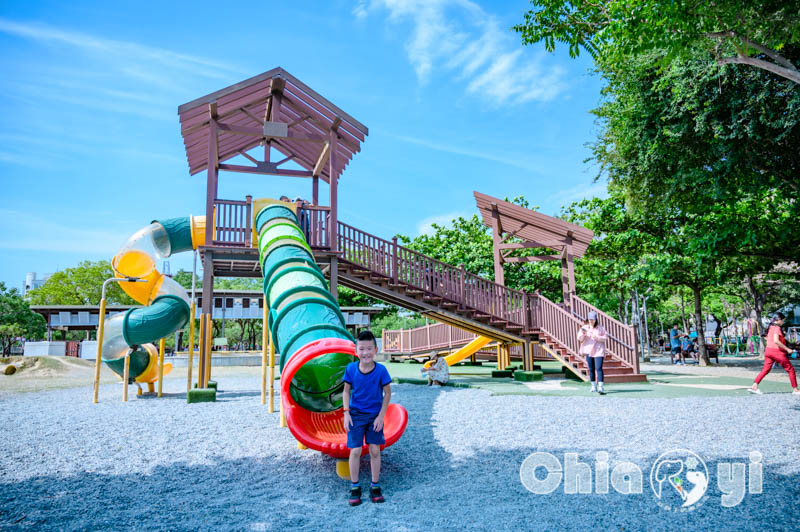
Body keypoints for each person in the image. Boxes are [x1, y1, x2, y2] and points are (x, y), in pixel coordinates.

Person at [343, 330, 392, 505]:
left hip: (374, 416)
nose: (365, 353)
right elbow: (346, 390)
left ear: (376, 350)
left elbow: (387, 393)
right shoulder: (351, 369)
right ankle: (355, 486)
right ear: (356, 351)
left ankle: (374, 485)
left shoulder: (381, 370)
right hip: (355, 415)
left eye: (369, 348)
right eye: (362, 349)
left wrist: (381, 416)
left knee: (374, 450)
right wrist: (346, 412)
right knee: (355, 450)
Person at [748, 313, 800, 395]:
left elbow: (768, 338)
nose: (783, 322)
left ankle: (754, 386)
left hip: (768, 351)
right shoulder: (777, 328)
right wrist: (787, 349)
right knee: (790, 369)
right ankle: (796, 390)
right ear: (778, 320)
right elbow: (776, 340)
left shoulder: (770, 327)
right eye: (782, 320)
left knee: (765, 369)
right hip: (777, 352)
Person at [578, 311, 608, 394]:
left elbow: (605, 338)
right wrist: (583, 335)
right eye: (589, 319)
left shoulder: (600, 328)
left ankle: (601, 387)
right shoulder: (584, 328)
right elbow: (580, 340)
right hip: (588, 350)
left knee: (599, 368)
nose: (591, 321)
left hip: (599, 350)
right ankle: (593, 386)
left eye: (593, 319)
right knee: (591, 369)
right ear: (587, 319)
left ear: (595, 319)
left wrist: (597, 337)